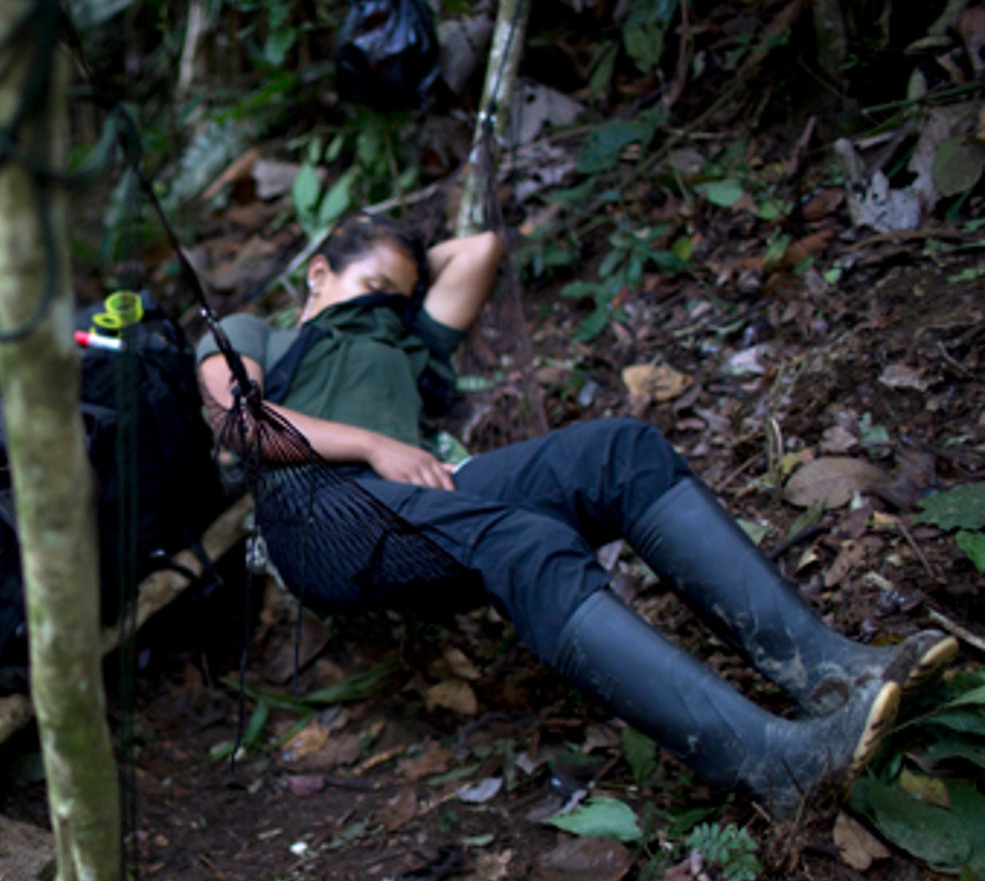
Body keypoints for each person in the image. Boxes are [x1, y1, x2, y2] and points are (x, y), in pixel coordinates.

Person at [196, 214, 957, 818]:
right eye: (368, 283)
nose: (385, 306)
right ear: (318, 272)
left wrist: (402, 284)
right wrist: (373, 444)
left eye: (399, 295)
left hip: (421, 493)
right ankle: (776, 764)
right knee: (523, 540)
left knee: (620, 452)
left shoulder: (408, 341)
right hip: (319, 513)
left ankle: (826, 671)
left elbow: (481, 249)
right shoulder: (260, 335)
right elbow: (239, 421)